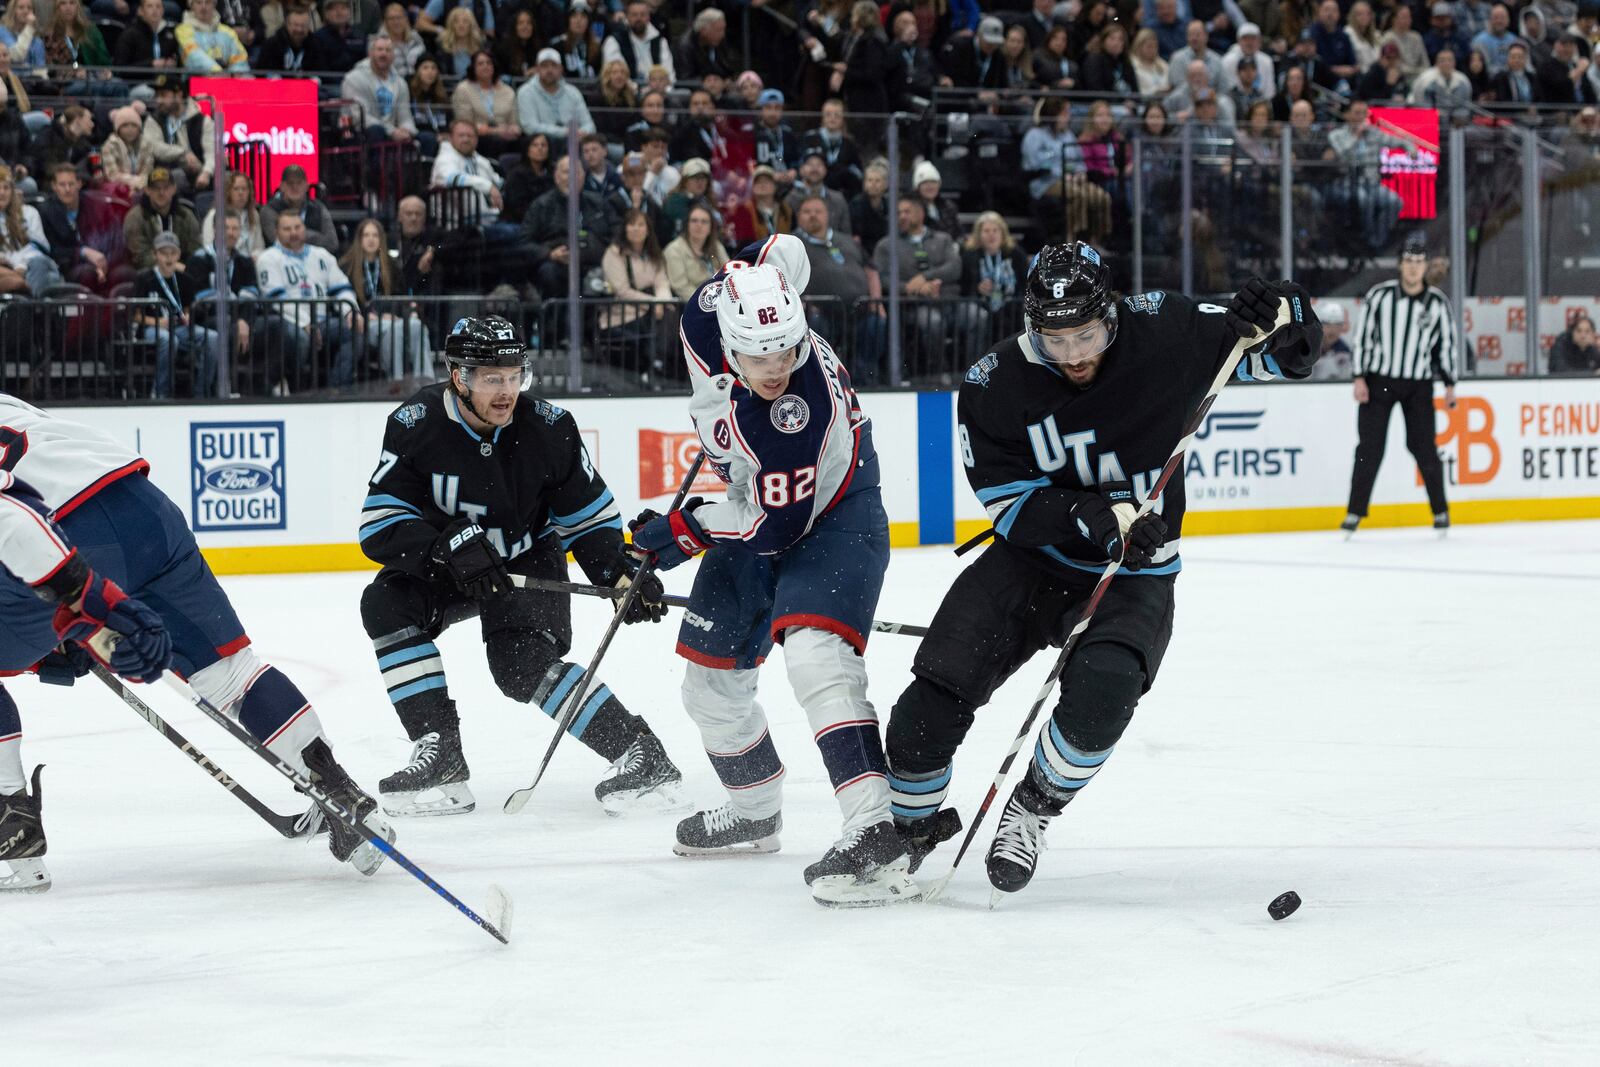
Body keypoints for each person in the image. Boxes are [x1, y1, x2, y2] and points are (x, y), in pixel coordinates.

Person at [882, 242, 1321, 894]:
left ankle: (1031, 807)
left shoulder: (1165, 329)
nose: (1076, 354)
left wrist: (1293, 319)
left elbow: (1273, 359)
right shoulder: (991, 383)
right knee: (927, 706)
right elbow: (1005, 500)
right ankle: (907, 834)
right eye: (1056, 341)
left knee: (1106, 688)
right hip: (1033, 559)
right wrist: (1085, 515)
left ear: (1111, 315)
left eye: (1086, 334)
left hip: (1136, 571)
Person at [0, 395, 395, 894]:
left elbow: (13, 522)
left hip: (59, 533)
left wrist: (67, 618)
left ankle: (12, 822)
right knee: (231, 672)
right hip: (141, 506)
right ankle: (339, 793)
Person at [627, 233, 916, 907]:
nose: (776, 364)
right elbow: (786, 246)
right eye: (759, 354)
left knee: (816, 657)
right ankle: (755, 809)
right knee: (708, 684)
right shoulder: (705, 312)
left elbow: (769, 528)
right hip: (753, 497)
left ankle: (874, 829)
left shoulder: (793, 412)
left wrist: (684, 527)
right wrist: (756, 255)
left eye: (787, 348)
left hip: (835, 515)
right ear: (730, 336)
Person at [357, 315, 686, 817]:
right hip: (447, 563)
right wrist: (446, 547)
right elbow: (379, 524)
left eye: (514, 376)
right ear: (457, 376)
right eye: (492, 379)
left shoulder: (550, 428)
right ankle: (439, 752)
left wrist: (618, 573)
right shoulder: (414, 423)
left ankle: (639, 752)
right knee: (384, 604)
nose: (506, 390)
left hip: (526, 556)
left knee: (519, 668)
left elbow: (590, 520)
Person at [1342, 231, 1457, 536]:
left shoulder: (1436, 303)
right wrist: (1359, 377)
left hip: (1418, 385)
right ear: (1400, 264)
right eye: (1408, 261)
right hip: (1380, 381)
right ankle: (1354, 512)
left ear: (1425, 266)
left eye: (1419, 262)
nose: (1414, 267)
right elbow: (1363, 338)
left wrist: (1449, 384)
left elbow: (1444, 345)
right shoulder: (1380, 296)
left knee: (1423, 447)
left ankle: (1440, 510)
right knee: (1370, 447)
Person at [256, 210, 363, 388]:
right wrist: (305, 323)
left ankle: (336, 388)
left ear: (304, 228)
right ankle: (298, 391)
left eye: (297, 227)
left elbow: (342, 287)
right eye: (287, 229)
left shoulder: (321, 255)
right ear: (277, 232)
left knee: (354, 331)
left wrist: (351, 311)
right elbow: (277, 299)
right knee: (300, 338)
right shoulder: (268, 258)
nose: (293, 232)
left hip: (322, 321)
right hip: (289, 321)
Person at [795, 192, 886, 386]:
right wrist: (799, 301)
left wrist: (876, 301)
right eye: (807, 211)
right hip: (818, 313)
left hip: (859, 310)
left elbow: (871, 270)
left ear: (827, 215)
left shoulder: (847, 240)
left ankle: (865, 378)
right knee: (816, 329)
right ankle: (825, 381)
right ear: (798, 217)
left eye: (818, 211)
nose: (813, 215)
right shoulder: (792, 244)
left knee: (876, 322)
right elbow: (783, 276)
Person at [874, 195, 962, 381]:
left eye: (907, 211)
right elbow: (881, 278)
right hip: (912, 306)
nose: (902, 216)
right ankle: (936, 374)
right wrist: (909, 287)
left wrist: (925, 278)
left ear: (921, 213)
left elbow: (955, 267)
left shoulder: (943, 239)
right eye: (898, 213)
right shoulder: (886, 245)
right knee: (932, 321)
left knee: (976, 316)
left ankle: (971, 373)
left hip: (948, 301)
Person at [339, 217, 433, 380]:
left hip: (392, 319)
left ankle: (425, 378)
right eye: (366, 235)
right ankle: (396, 380)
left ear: (381, 239)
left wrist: (395, 314)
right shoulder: (347, 266)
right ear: (359, 239)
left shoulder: (391, 266)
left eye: (375, 235)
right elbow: (345, 298)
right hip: (365, 323)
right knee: (393, 330)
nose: (370, 239)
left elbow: (402, 296)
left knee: (418, 326)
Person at [133, 230, 217, 398]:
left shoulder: (186, 279)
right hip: (151, 328)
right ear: (155, 255)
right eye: (164, 253)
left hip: (178, 327)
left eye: (173, 253)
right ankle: (160, 392)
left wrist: (187, 316)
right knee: (168, 339)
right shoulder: (144, 278)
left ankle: (202, 392)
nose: (169, 258)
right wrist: (156, 322)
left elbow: (188, 308)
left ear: (178, 255)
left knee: (212, 337)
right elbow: (135, 315)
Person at [599, 207, 674, 377]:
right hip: (624, 314)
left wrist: (662, 302)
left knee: (671, 313)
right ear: (624, 228)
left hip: (650, 312)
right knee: (660, 323)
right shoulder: (614, 253)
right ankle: (656, 366)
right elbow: (622, 290)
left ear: (648, 230)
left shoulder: (654, 254)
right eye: (632, 224)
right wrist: (653, 302)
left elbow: (662, 283)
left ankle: (658, 364)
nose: (636, 229)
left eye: (641, 225)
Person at [140, 74, 215, 194]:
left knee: (228, 179)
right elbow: (154, 147)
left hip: (200, 171)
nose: (158, 101)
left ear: (179, 94)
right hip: (166, 172)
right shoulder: (154, 120)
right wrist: (183, 152)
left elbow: (212, 152)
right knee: (177, 176)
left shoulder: (203, 120)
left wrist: (206, 173)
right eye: (157, 96)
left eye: (164, 95)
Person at [123, 166, 202, 271]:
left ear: (174, 189)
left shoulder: (186, 215)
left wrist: (188, 268)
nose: (161, 192)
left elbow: (195, 249)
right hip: (149, 273)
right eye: (156, 188)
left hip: (183, 272)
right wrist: (172, 266)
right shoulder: (135, 217)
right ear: (147, 190)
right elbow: (140, 257)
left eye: (166, 187)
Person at [0, 163, 60, 295]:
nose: (2, 193)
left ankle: (30, 306)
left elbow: (39, 246)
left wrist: (21, 264)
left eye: (6, 188)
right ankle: (32, 307)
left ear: (12, 191)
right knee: (49, 279)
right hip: (6, 268)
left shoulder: (29, 213)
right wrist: (13, 265)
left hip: (32, 264)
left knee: (39, 263)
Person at [517, 48, 596, 141]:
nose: (549, 70)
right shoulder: (526, 92)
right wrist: (564, 132)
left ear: (561, 69)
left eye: (554, 66)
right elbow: (530, 127)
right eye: (544, 66)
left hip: (574, 141)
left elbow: (590, 125)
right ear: (537, 69)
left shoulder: (573, 92)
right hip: (542, 144)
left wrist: (583, 132)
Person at [260, 164, 339, 256]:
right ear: (282, 186)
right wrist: (315, 236)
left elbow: (332, 243)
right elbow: (278, 242)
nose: (295, 187)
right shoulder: (269, 210)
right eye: (290, 183)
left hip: (314, 262)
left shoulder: (318, 207)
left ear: (306, 186)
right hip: (280, 262)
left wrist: (296, 236)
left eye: (299, 183)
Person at [603, 0, 675, 87]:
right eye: (634, 15)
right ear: (627, 17)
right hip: (627, 94)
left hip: (657, 94)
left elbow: (669, 74)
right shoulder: (613, 41)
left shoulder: (660, 41)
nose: (639, 18)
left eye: (643, 14)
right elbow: (615, 76)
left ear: (648, 17)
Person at [663, 202, 728, 299]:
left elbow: (730, 272)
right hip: (690, 305)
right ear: (687, 224)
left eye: (704, 221)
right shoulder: (674, 250)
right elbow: (681, 287)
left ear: (711, 228)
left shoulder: (717, 246)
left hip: (719, 300)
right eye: (694, 221)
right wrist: (707, 301)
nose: (699, 225)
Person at [201, 171, 266, 260]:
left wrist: (254, 257)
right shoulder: (214, 214)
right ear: (228, 192)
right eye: (236, 189)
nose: (241, 193)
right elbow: (208, 245)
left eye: (244, 189)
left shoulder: (254, 214)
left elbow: (259, 246)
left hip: (249, 264)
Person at [727, 164, 792, 246]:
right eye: (758, 182)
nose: (762, 184)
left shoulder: (786, 209)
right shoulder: (743, 210)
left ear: (775, 186)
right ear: (753, 187)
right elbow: (742, 241)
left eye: (767, 181)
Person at [114, 0, 181, 78]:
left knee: (193, 84)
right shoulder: (129, 34)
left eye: (158, 6)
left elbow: (180, 66)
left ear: (163, 11)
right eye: (150, 6)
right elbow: (120, 69)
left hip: (166, 82)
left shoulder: (170, 35)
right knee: (147, 91)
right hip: (139, 83)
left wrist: (172, 64)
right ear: (140, 11)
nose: (155, 10)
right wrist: (150, 65)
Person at [176, 0, 248, 72]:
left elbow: (240, 57)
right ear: (191, 6)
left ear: (214, 5)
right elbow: (193, 56)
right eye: (198, 3)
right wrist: (217, 72)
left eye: (207, 2)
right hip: (196, 79)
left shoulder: (227, 31)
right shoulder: (183, 30)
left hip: (228, 79)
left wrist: (235, 74)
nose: (203, 7)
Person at [100, 105, 153, 195]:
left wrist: (139, 185)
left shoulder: (146, 144)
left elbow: (147, 171)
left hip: (142, 187)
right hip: (118, 189)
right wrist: (134, 183)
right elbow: (112, 174)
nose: (130, 129)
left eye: (134, 125)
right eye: (125, 126)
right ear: (118, 129)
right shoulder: (109, 146)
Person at [373, 2, 427, 79]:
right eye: (391, 19)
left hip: (416, 83)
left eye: (399, 18)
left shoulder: (416, 38)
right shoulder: (378, 42)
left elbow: (424, 62)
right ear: (385, 22)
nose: (396, 22)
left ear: (406, 19)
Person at [848, 160, 889, 259]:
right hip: (863, 252)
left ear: (885, 184)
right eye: (870, 180)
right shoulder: (857, 204)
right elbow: (856, 236)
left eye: (877, 181)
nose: (873, 184)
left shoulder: (889, 204)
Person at [1310, 299, 1353, 380]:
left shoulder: (1344, 351)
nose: (1333, 330)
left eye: (1337, 325)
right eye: (1328, 325)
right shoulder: (1309, 348)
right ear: (1320, 325)